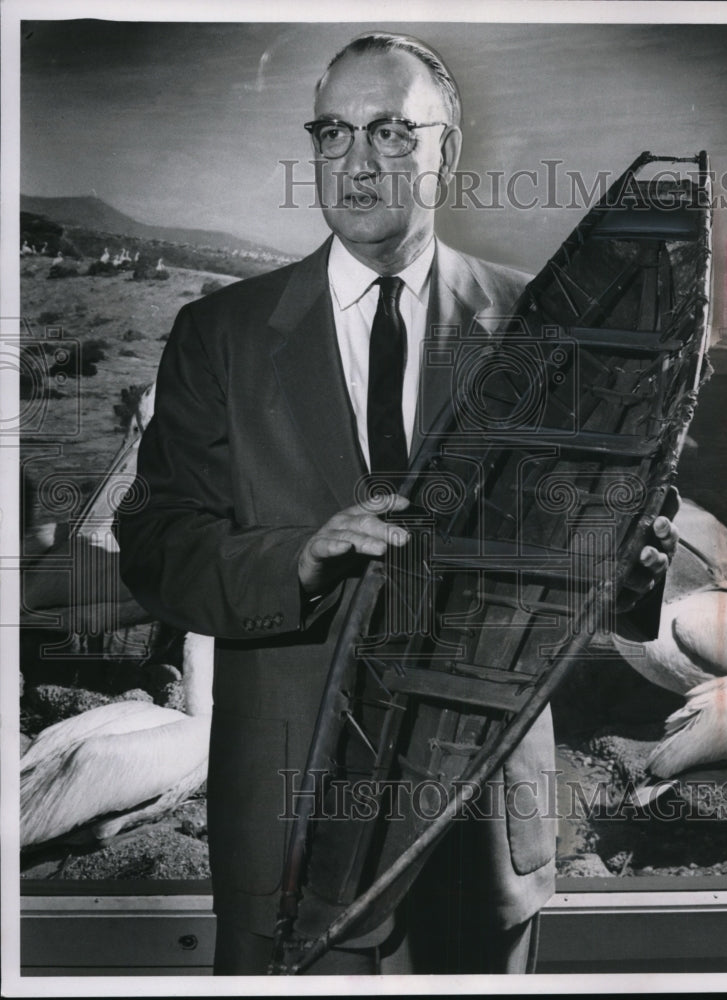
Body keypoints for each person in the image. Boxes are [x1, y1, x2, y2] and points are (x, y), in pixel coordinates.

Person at [117, 31, 676, 976]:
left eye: (390, 132)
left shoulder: (540, 330)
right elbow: (157, 544)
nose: (357, 162)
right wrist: (297, 556)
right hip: (288, 835)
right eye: (333, 133)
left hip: (482, 831)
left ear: (446, 151)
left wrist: (624, 572)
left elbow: (588, 568)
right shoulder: (219, 334)